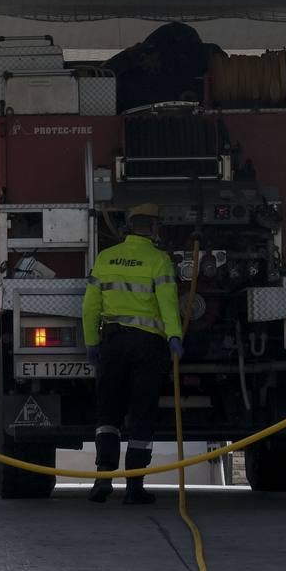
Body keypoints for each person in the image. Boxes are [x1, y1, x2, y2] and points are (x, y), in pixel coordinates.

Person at [81, 203, 183, 505]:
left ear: (128, 227)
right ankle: (134, 487)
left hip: (112, 343)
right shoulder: (159, 260)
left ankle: (102, 480)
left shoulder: (105, 258)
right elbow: (168, 303)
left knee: (108, 412)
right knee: (142, 413)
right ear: (154, 228)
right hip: (148, 346)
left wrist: (92, 342)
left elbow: (90, 306)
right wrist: (175, 336)